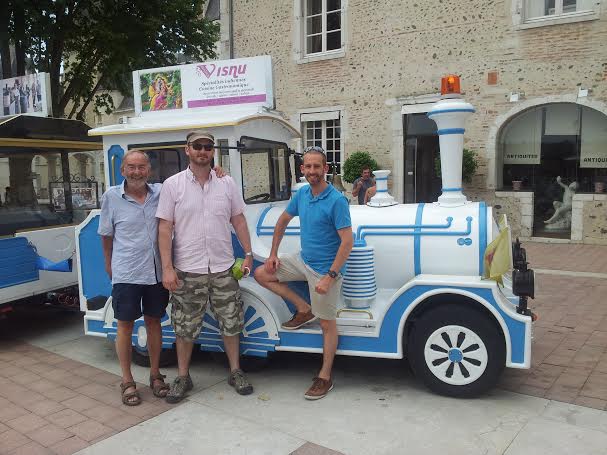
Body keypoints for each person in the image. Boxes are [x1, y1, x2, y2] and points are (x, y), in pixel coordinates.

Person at [157, 131, 254, 403]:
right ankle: (183, 376)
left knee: (231, 323)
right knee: (184, 327)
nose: (202, 151)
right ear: (187, 150)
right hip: (187, 269)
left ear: (213, 151)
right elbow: (164, 228)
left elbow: (239, 220)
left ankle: (235, 371)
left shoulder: (227, 183)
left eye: (207, 147)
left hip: (223, 267)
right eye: (197, 146)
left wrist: (248, 253)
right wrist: (167, 267)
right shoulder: (172, 185)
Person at [254, 145, 353, 400]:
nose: (312, 171)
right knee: (261, 274)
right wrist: (273, 254)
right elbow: (283, 221)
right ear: (302, 169)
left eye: (317, 166)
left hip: (325, 271)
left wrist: (329, 277)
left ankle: (325, 376)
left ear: (326, 169)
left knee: (327, 325)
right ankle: (302, 307)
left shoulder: (337, 200)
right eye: (308, 167)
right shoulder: (302, 195)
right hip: (303, 260)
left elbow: (347, 242)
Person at [98, 150, 171, 406]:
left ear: (148, 170)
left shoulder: (161, 193)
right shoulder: (111, 197)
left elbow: (189, 180)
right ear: (122, 170)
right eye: (131, 167)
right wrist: (109, 265)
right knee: (125, 325)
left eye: (141, 167)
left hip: (156, 272)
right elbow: (106, 235)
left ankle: (155, 374)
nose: (137, 172)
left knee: (154, 322)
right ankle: (127, 380)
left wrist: (218, 172)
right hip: (126, 271)